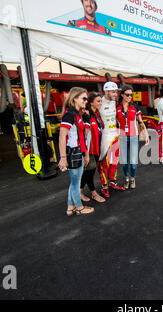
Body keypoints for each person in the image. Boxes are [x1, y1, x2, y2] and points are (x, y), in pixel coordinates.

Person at [58, 87, 94, 216]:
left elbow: (82, 135)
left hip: (77, 151)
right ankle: (79, 207)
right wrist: (63, 158)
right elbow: (62, 136)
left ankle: (70, 206)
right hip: (73, 152)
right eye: (84, 98)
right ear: (75, 99)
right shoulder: (70, 114)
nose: (86, 101)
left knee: (74, 182)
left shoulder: (77, 113)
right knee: (76, 183)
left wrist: (85, 154)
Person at [116, 85, 149, 189]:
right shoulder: (117, 108)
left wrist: (146, 133)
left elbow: (140, 121)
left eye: (131, 94)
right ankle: (126, 178)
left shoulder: (135, 107)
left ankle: (133, 178)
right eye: (127, 95)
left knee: (133, 163)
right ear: (122, 95)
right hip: (122, 137)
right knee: (125, 162)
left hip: (134, 137)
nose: (130, 96)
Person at [98, 81, 125, 198]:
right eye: (113, 92)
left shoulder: (115, 103)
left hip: (115, 135)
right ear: (106, 91)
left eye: (116, 92)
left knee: (114, 161)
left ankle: (112, 182)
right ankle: (104, 186)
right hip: (104, 136)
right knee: (104, 163)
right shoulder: (99, 102)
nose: (115, 94)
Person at [80, 92, 106, 203]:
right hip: (89, 149)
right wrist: (85, 153)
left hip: (96, 148)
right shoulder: (87, 115)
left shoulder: (97, 114)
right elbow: (84, 135)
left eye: (101, 101)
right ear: (91, 103)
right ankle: (92, 193)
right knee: (89, 172)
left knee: (90, 172)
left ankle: (80, 191)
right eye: (98, 101)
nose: (101, 103)